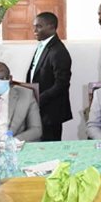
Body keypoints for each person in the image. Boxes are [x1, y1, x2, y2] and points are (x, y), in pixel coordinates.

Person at [25, 12, 72, 141]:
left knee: (50, 148)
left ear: (51, 27)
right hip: (40, 109)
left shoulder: (58, 51)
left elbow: (62, 84)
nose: (34, 30)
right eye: (34, 26)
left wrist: (39, 99)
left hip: (51, 112)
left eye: (39, 26)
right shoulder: (43, 45)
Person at [0, 61, 42, 142]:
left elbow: (36, 130)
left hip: (12, 146)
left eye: (2, 78)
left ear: (10, 79)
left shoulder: (26, 95)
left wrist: (13, 142)